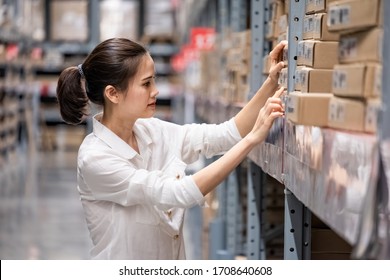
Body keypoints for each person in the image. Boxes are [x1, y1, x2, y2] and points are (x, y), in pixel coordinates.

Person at [56, 37, 286, 260]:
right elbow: (178, 193)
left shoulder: (152, 130)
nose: (155, 90)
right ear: (113, 94)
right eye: (146, 83)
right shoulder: (96, 157)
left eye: (154, 80)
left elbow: (226, 134)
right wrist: (252, 140)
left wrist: (271, 82)